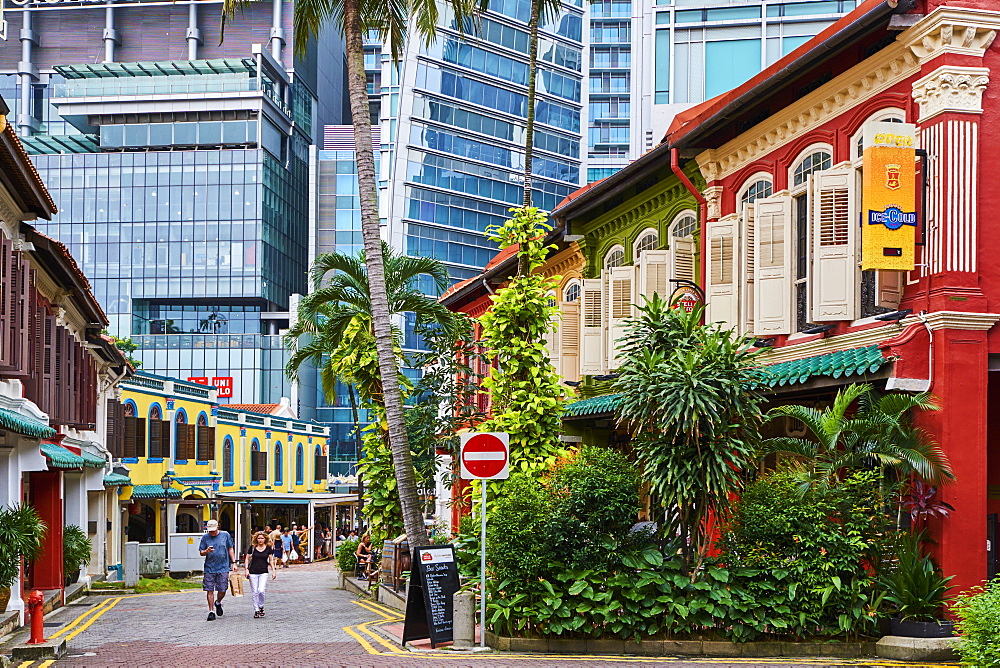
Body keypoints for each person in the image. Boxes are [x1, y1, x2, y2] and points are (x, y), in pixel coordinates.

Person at [198, 519, 236, 621]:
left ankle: (218, 602)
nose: (212, 533)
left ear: (217, 527)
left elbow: (230, 549)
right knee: (209, 589)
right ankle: (211, 611)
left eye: (213, 530)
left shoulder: (225, 535)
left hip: (223, 567)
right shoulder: (205, 538)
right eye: (210, 531)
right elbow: (201, 552)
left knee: (222, 589)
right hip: (209, 568)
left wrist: (234, 562)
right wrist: (207, 551)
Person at [244, 531, 276, 618]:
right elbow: (247, 559)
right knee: (255, 592)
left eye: (262, 538)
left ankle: (261, 605)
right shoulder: (253, 548)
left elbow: (271, 560)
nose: (260, 540)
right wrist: (246, 569)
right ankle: (256, 610)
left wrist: (273, 571)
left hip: (263, 571)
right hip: (253, 571)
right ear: (256, 539)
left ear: (265, 539)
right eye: (259, 538)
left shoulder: (268, 548)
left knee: (261, 590)